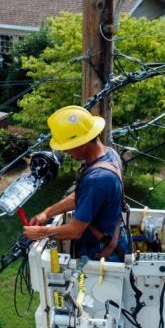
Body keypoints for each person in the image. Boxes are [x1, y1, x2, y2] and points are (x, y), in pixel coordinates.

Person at [23, 105, 129, 262]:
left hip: (102, 255)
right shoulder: (108, 153)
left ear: (82, 143)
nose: (65, 152)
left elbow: (74, 231)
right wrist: (47, 213)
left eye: (67, 147)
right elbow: (80, 197)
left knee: (83, 287)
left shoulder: (97, 179)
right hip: (109, 239)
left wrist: (41, 233)